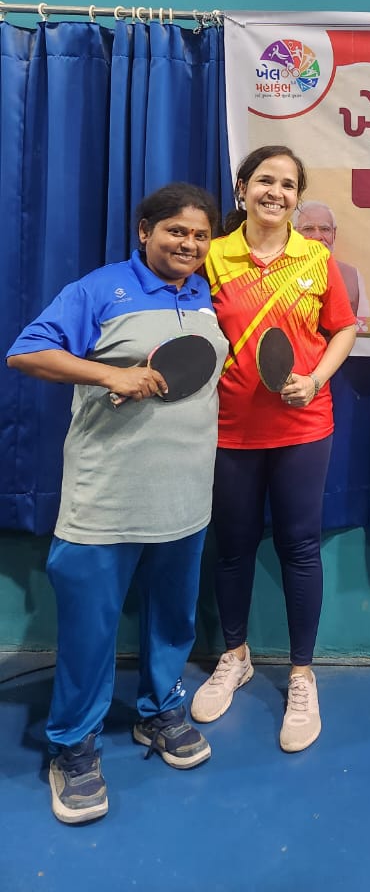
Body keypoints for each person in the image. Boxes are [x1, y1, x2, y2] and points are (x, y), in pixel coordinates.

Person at [6, 184, 228, 825]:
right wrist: (110, 373)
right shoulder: (101, 289)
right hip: (106, 498)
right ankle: (73, 746)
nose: (189, 244)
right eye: (176, 231)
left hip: (185, 494)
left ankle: (160, 711)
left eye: (200, 235)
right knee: (89, 628)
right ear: (144, 231)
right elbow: (26, 351)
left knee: (173, 619)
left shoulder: (205, 297)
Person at [190, 146, 357, 753]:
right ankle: (234, 656)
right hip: (229, 428)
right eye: (266, 180)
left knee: (300, 546)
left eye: (288, 185)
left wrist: (315, 379)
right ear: (242, 188)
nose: (276, 193)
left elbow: (344, 327)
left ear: (296, 197)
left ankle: (302, 674)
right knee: (232, 545)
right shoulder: (212, 257)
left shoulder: (316, 258)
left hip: (303, 426)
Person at [295, 199, 370, 318]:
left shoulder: (353, 276)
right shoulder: (280, 272)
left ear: (334, 234)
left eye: (325, 229)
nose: (317, 236)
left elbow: (362, 324)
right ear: (295, 233)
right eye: (308, 229)